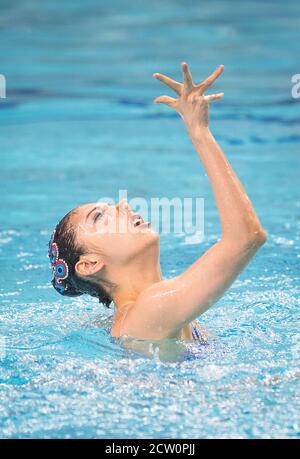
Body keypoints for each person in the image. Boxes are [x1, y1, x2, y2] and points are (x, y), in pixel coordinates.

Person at [48, 62, 266, 342]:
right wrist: (199, 131)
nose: (123, 206)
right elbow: (247, 237)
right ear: (89, 264)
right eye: (99, 217)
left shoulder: (146, 313)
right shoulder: (153, 308)